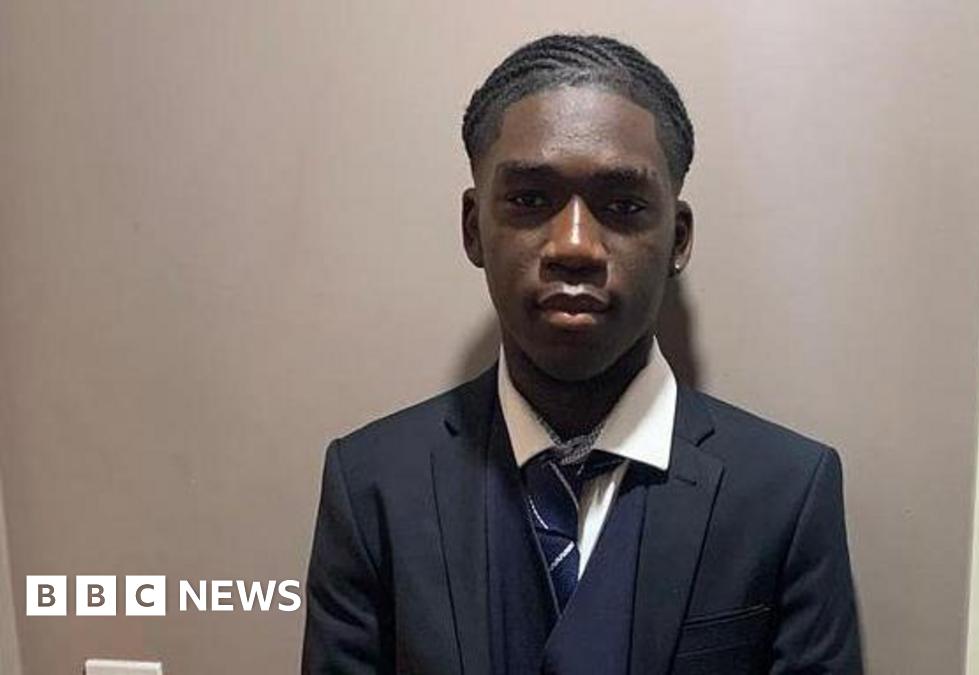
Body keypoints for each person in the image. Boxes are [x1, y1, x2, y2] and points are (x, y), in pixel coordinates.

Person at [302, 33, 862, 674]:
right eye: (530, 200)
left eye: (622, 206)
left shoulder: (787, 491)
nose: (575, 246)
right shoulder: (373, 483)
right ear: (472, 227)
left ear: (677, 238)